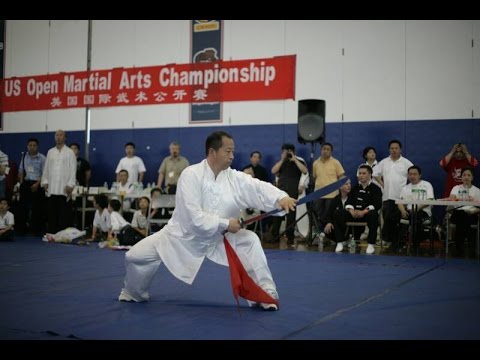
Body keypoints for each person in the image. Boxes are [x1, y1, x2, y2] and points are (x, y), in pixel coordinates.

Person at [118, 131, 296, 311]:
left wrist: (280, 198)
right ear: (212, 152)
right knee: (134, 256)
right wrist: (226, 223)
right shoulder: (191, 174)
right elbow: (193, 217)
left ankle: (264, 294)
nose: (232, 156)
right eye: (228, 151)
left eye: (232, 151)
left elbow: (257, 187)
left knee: (250, 241)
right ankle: (134, 293)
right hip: (181, 237)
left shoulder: (234, 177)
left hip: (217, 238)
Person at [270, 143, 307, 244]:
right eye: (285, 152)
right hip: (281, 192)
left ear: (294, 152)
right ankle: (275, 236)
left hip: (292, 191)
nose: (287, 154)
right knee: (277, 214)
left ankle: (290, 237)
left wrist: (294, 159)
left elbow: (305, 171)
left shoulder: (299, 161)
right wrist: (282, 159)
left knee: (291, 215)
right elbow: (273, 171)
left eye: (289, 151)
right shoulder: (281, 162)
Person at [41, 130, 77, 234]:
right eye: (56, 135)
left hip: (64, 188)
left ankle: (62, 235)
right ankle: (52, 234)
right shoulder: (50, 152)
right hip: (52, 188)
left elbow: (73, 169)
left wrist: (70, 185)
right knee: (52, 214)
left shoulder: (70, 152)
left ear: (65, 138)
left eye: (61, 135)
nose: (58, 137)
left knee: (64, 214)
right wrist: (45, 182)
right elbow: (46, 168)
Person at [17, 138, 46, 235]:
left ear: (37, 147)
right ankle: (22, 230)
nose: (32, 147)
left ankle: (36, 230)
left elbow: (45, 173)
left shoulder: (42, 158)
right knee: (23, 207)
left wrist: (37, 184)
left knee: (37, 208)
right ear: (27, 146)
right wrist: (21, 182)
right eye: (30, 145)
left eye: (34, 145)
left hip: (38, 184)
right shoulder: (24, 156)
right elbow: (21, 169)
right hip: (26, 183)